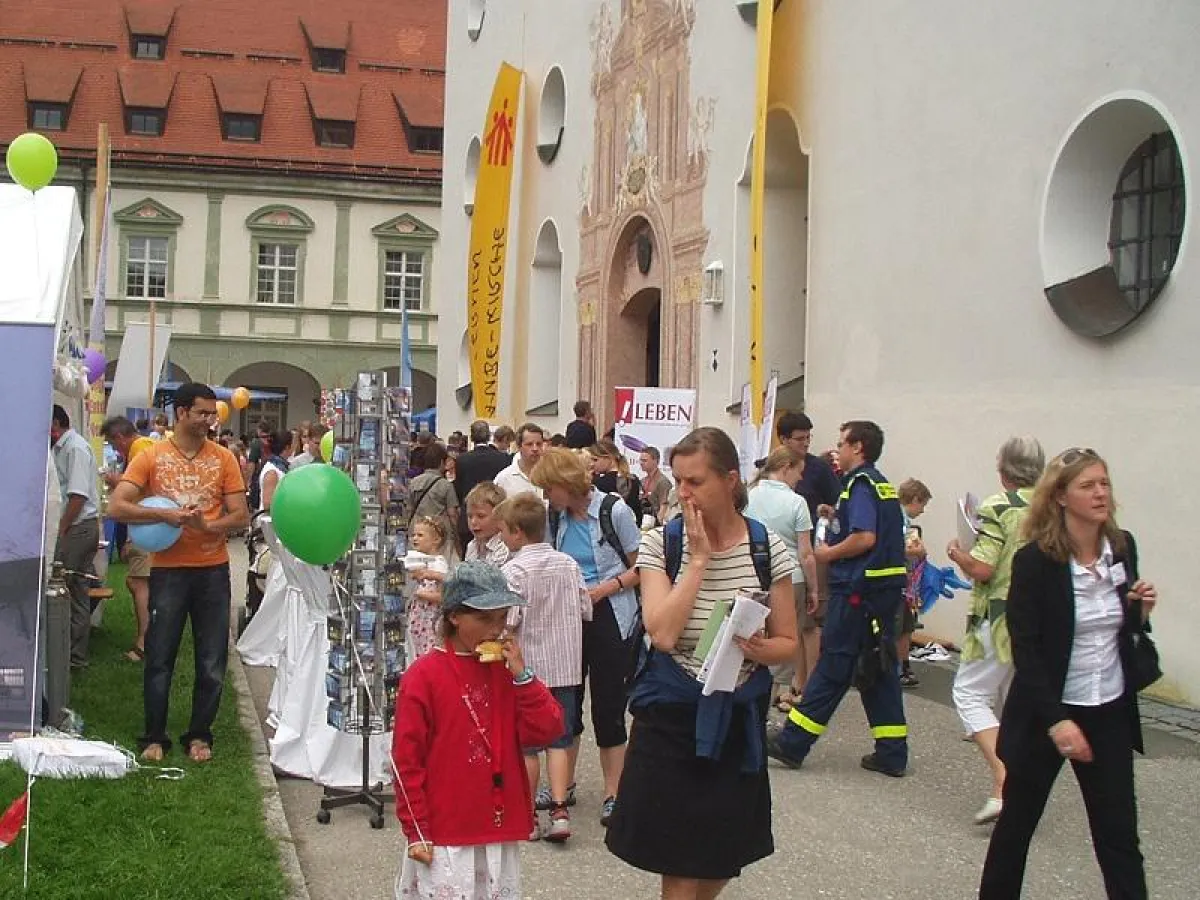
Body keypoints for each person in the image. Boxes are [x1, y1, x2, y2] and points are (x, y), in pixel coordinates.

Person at [606, 427, 798, 898]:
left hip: (736, 714)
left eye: (695, 481)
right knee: (679, 860)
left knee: (722, 857)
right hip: (674, 716)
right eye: (679, 480)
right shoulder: (662, 543)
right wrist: (697, 562)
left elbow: (789, 642)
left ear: (730, 480)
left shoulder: (766, 546)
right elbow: (663, 634)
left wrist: (759, 648)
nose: (684, 493)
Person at [979, 448, 1156, 899]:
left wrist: (1139, 611)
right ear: (1060, 496)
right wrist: (1057, 721)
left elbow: (1125, 630)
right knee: (1016, 828)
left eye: (1104, 484)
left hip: (1109, 709)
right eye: (1087, 486)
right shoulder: (1035, 562)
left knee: (1119, 836)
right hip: (1048, 713)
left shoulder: (1122, 546)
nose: (1100, 494)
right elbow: (1027, 649)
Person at [391, 561, 564, 900]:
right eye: (485, 619)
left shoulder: (507, 672)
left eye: (502, 618)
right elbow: (405, 760)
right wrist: (416, 829)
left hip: (496, 828)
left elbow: (548, 730)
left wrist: (523, 677)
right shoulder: (423, 676)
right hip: (445, 831)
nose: (496, 630)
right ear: (455, 616)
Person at [107, 383, 249, 762]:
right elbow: (117, 507)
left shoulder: (223, 458)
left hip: (212, 570)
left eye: (212, 414)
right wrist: (164, 515)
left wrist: (209, 527)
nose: (209, 420)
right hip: (168, 571)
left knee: (212, 659)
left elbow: (241, 516)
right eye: (202, 413)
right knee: (159, 656)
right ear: (182, 412)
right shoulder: (152, 456)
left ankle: (200, 735)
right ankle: (154, 736)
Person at [767, 420, 910, 777]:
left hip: (858, 592)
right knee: (877, 668)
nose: (837, 449)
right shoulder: (879, 484)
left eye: (842, 443)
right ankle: (892, 751)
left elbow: (864, 538)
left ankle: (793, 742)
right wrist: (837, 516)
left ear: (858, 447)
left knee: (834, 664)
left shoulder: (860, 484)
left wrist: (826, 554)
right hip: (881, 592)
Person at [533, 448, 641, 827]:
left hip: (610, 611)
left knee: (609, 706)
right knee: (567, 699)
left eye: (550, 488)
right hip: (569, 615)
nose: (547, 496)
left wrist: (604, 589)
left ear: (566, 484)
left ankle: (614, 793)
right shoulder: (555, 516)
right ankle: (565, 783)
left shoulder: (614, 511)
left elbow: (641, 567)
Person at [946, 436, 1044, 824]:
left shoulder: (999, 507)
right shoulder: (1050, 506)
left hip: (1000, 614)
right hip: (1038, 615)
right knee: (1014, 698)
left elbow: (984, 568)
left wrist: (958, 554)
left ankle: (1005, 780)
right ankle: (1020, 786)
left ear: (1004, 469)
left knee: (969, 693)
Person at [496, 493, 592, 843]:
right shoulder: (568, 564)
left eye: (503, 531)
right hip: (566, 665)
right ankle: (560, 808)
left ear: (517, 532)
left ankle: (528, 815)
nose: (502, 537)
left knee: (527, 745)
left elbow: (510, 618)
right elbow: (585, 608)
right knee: (559, 739)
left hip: (529, 668)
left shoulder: (513, 570)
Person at [744, 447, 820, 711]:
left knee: (751, 635)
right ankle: (773, 696)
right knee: (784, 640)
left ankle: (749, 698)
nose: (800, 478)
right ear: (786, 467)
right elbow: (806, 553)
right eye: (799, 471)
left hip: (753, 573)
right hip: (790, 576)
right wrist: (814, 588)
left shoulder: (750, 495)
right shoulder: (797, 503)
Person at [100, 416, 157, 661]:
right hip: (147, 524)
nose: (116, 450)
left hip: (147, 523)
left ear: (120, 437)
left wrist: (118, 482)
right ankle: (151, 638)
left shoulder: (139, 448)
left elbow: (142, 486)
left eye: (114, 444)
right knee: (138, 582)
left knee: (138, 582)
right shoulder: (146, 446)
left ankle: (145, 643)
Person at [50, 404, 102, 669]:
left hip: (77, 527)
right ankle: (72, 655)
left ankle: (72, 656)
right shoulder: (61, 449)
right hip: (75, 526)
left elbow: (78, 495)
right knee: (75, 590)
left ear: (55, 424)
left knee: (66, 589)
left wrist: (62, 527)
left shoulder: (75, 448)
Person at [455, 421, 514, 552]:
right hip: (493, 514)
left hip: (468, 517)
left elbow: (458, 489)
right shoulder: (502, 458)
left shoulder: (462, 460)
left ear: (471, 437)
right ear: (489, 436)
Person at [896, 478, 932, 688]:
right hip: (898, 580)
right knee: (899, 625)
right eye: (922, 505)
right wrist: (917, 551)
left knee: (906, 625)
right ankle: (896, 667)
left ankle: (903, 665)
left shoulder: (905, 521)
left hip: (905, 580)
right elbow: (897, 546)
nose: (923, 511)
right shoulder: (898, 519)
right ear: (915, 499)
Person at [777, 411, 841, 526]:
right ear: (783, 439)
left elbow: (837, 503)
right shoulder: (767, 468)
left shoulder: (820, 468)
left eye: (808, 437)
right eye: (800, 439)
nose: (806, 443)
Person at [406, 516, 455, 661]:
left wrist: (421, 594)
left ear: (436, 539)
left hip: (430, 622)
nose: (415, 538)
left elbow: (442, 596)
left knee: (427, 654)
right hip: (421, 621)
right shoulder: (426, 562)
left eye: (420, 535)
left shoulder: (438, 565)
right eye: (413, 535)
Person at [407, 442, 459, 539]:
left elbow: (409, 509)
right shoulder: (446, 485)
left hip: (417, 530)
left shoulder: (414, 482)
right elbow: (452, 514)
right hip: (438, 532)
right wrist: (456, 536)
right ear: (441, 462)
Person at [463, 483, 512, 568]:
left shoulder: (505, 547)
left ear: (499, 516)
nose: (473, 522)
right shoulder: (472, 546)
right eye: (470, 516)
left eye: (481, 516)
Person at [590, 439, 641, 515]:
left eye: (595, 460)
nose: (592, 464)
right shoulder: (633, 479)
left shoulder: (600, 483)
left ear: (609, 458)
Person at [494, 424, 545, 499]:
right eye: (529, 444)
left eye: (539, 444)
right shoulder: (504, 479)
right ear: (519, 446)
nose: (535, 449)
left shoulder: (550, 475)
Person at [257, 431, 291, 513]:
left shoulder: (282, 467)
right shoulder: (272, 472)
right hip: (271, 519)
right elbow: (268, 505)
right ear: (287, 447)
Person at [638, 447, 673, 527]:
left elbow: (664, 506)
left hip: (655, 525)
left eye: (644, 460)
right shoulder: (642, 481)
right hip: (642, 522)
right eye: (640, 460)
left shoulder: (663, 482)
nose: (641, 463)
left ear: (655, 461)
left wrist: (658, 526)